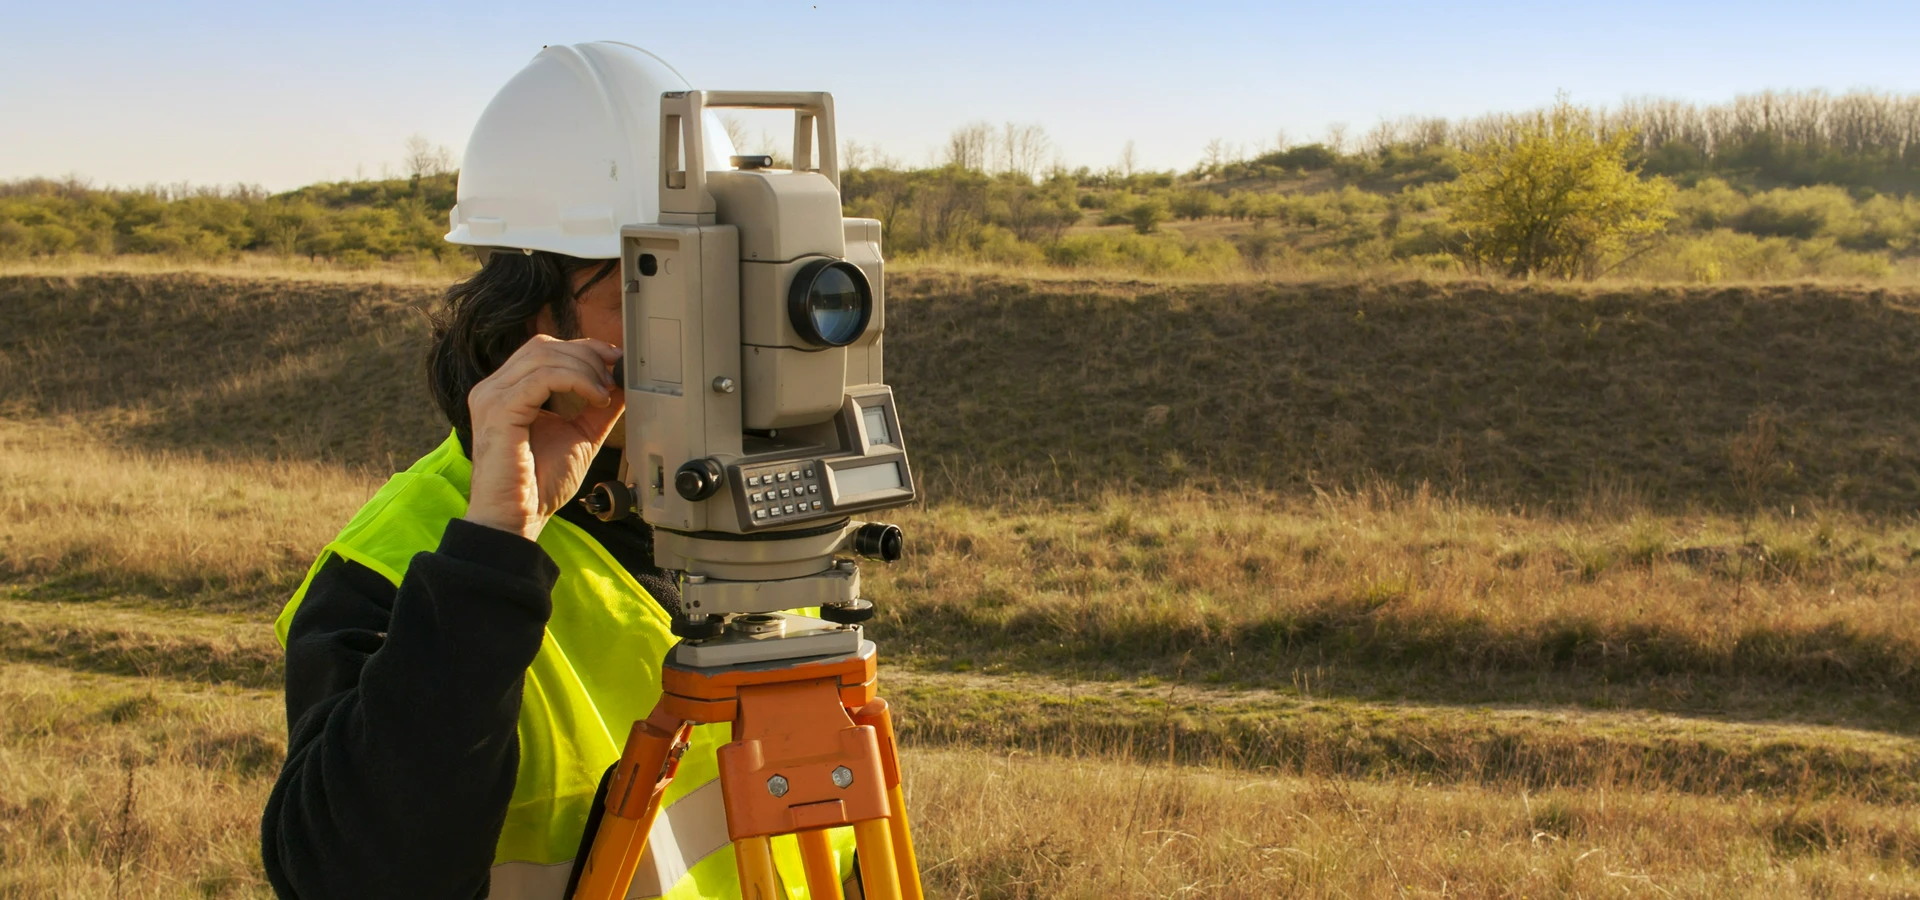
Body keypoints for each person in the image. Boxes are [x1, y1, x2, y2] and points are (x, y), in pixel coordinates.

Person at [260, 42, 860, 900]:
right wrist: (494, 552)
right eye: (667, 290)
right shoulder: (390, 568)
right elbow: (348, 880)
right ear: (535, 319)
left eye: (735, 286)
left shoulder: (751, 530)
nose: (725, 338)